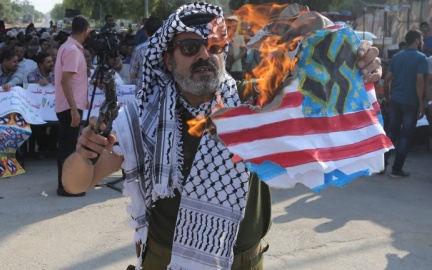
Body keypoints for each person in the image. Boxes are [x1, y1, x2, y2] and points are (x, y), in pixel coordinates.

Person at [61, 3, 382, 269]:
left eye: (212, 45)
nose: (203, 55)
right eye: (190, 47)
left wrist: (356, 60)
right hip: (168, 261)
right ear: (168, 59)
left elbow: (323, 92)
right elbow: (75, 183)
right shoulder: (142, 118)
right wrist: (84, 154)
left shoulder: (256, 102)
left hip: (245, 261)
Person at [383, 29, 429, 177]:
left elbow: (388, 78)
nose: (422, 42)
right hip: (411, 103)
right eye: (421, 40)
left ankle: (381, 165)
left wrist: (387, 97)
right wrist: (421, 105)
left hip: (396, 100)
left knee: (392, 132)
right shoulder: (421, 58)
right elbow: (420, 83)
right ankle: (396, 170)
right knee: (405, 136)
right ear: (416, 40)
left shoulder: (397, 57)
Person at [54, 15, 91, 197]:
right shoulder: (73, 51)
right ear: (86, 31)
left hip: (70, 105)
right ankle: (66, 186)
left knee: (66, 146)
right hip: (70, 107)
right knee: (67, 148)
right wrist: (75, 109)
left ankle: (65, 184)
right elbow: (65, 81)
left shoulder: (67, 47)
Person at [130, 16, 162, 93]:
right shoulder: (169, 48)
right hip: (163, 94)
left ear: (146, 32)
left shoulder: (139, 49)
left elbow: (132, 74)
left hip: (143, 94)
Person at [225, 16, 247, 81]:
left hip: (236, 67)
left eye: (235, 24)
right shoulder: (224, 37)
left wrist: (236, 58)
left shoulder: (239, 37)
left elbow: (244, 50)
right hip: (226, 68)